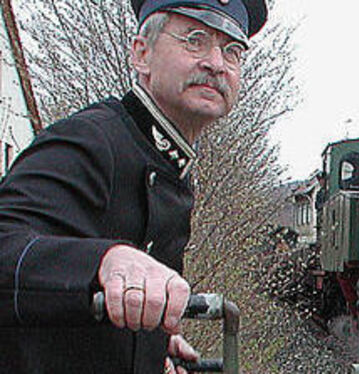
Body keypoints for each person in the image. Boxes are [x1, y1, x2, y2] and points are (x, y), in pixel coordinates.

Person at [0, 0, 267, 372]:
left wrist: (149, 345)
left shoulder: (172, 164)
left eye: (232, 51)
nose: (216, 63)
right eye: (195, 40)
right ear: (141, 54)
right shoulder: (90, 140)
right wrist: (106, 261)